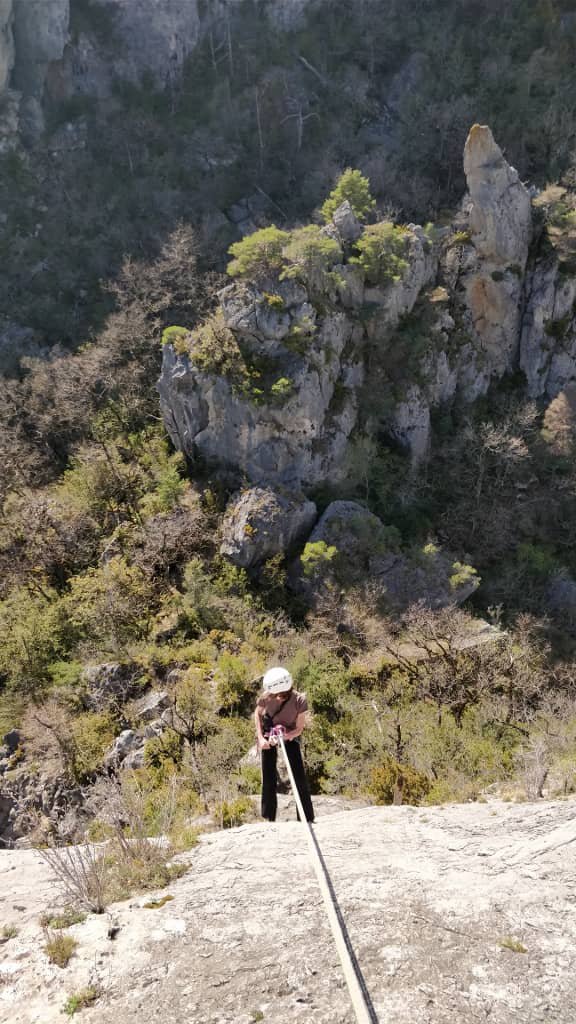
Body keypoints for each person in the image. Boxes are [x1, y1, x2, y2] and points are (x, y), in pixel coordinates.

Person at [254, 666, 315, 823]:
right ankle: (268, 817)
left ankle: (305, 817)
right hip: (269, 732)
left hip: (290, 734)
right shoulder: (267, 696)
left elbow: (299, 728)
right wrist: (261, 738)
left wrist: (287, 736)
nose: (274, 697)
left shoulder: (299, 700)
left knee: (298, 774)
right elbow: (258, 713)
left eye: (277, 695)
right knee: (268, 775)